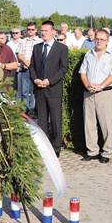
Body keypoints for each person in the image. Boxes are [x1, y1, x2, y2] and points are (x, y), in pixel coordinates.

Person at [79, 29, 112, 164]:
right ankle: (92, 151)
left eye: (102, 39)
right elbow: (82, 73)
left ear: (107, 41)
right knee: (89, 123)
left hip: (105, 93)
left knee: (106, 124)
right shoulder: (88, 54)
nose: (99, 41)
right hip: (89, 92)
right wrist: (87, 85)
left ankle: (107, 152)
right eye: (97, 38)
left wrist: (101, 86)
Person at [29, 20, 69, 157]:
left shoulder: (62, 48)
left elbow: (63, 69)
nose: (43, 33)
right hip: (39, 90)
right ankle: (44, 146)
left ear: (53, 32)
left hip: (54, 90)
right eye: (42, 31)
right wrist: (35, 79)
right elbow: (32, 67)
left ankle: (56, 147)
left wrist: (49, 81)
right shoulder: (37, 47)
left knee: (56, 120)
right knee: (42, 121)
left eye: (46, 31)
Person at [17, 22, 42, 115]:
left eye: (32, 29)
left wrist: (31, 63)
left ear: (36, 30)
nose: (30, 31)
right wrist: (25, 60)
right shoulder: (23, 41)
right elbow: (19, 54)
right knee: (25, 91)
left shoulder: (40, 41)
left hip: (36, 69)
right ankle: (26, 110)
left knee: (35, 91)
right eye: (28, 29)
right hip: (25, 69)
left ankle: (34, 110)